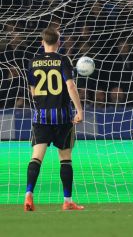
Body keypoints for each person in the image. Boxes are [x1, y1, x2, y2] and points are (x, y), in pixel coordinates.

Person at [24, 27, 84, 211]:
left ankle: (28, 195)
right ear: (59, 42)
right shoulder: (63, 60)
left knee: (36, 158)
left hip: (41, 118)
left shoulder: (32, 62)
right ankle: (67, 201)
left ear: (42, 42)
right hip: (63, 118)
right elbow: (71, 86)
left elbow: (32, 90)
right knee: (65, 159)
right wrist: (79, 110)